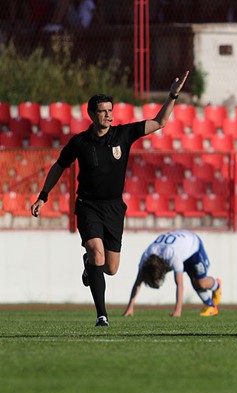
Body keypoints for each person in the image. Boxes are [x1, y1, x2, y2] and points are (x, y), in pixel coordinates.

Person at [31, 71, 189, 327]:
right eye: (103, 111)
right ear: (92, 115)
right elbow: (59, 166)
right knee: (96, 251)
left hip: (114, 208)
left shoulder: (122, 135)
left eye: (110, 110)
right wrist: (43, 196)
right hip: (88, 206)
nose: (108, 115)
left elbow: (159, 122)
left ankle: (90, 266)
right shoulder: (80, 142)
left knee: (111, 267)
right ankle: (101, 314)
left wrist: (172, 95)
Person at [122, 230, 222, 318]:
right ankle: (211, 306)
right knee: (195, 282)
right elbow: (138, 282)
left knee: (200, 283)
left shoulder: (172, 256)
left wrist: (177, 311)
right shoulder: (146, 257)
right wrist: (130, 307)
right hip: (181, 246)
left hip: (193, 247)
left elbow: (179, 284)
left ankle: (217, 285)